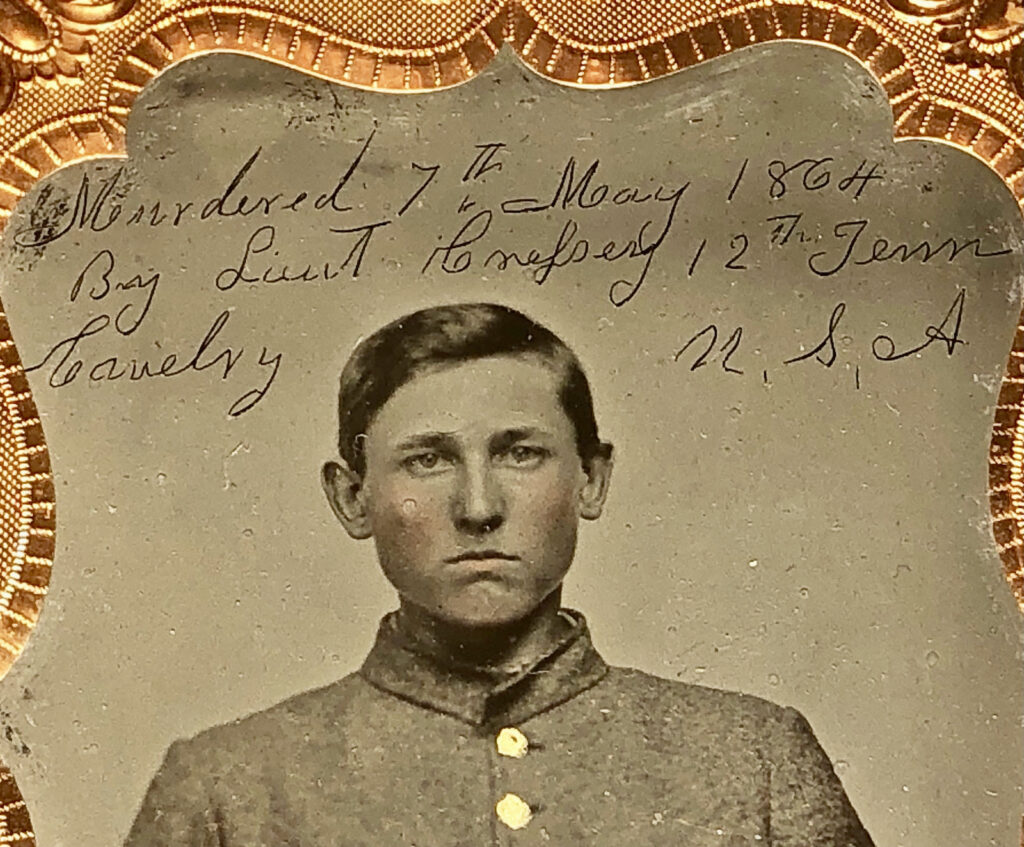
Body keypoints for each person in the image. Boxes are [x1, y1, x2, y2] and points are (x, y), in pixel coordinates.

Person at [125, 302, 875, 846]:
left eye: (521, 452)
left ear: (590, 478)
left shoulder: (755, 761)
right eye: (428, 458)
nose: (478, 506)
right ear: (353, 496)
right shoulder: (226, 788)